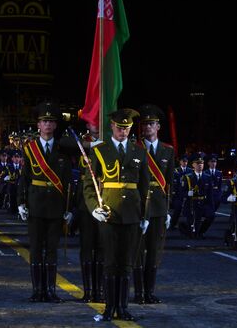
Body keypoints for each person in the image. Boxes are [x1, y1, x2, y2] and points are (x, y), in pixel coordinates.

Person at [83, 108, 150, 321]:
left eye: (127, 128)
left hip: (132, 214)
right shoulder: (100, 151)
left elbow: (144, 186)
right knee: (110, 262)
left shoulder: (139, 151)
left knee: (126, 263)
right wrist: (94, 208)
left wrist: (145, 215)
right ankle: (108, 307)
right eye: (120, 127)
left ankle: (122, 307)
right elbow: (89, 185)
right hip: (109, 212)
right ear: (112, 126)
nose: (123, 131)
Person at [17, 101, 73, 304]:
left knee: (51, 250)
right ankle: (37, 290)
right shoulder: (30, 149)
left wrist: (69, 208)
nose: (47, 125)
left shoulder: (63, 149)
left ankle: (50, 290)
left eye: (51, 121)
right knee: (35, 249)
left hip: (56, 207)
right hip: (36, 204)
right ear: (38, 126)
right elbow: (24, 177)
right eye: (44, 121)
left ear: (56, 125)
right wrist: (21, 202)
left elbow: (67, 181)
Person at [133, 104, 174, 305]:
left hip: (158, 207)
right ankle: (139, 293)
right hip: (139, 206)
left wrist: (168, 210)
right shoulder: (135, 148)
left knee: (153, 252)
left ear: (158, 127)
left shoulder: (168, 151)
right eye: (145, 124)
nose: (148, 127)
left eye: (152, 124)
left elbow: (169, 183)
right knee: (138, 252)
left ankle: (149, 292)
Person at [74, 127, 105, 303]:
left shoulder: (110, 144)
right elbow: (65, 143)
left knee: (101, 249)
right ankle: (88, 291)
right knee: (86, 248)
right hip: (85, 205)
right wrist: (93, 144)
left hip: (104, 204)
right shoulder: (80, 142)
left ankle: (99, 291)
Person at [179, 152, 215, 239]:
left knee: (211, 216)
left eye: (202, 163)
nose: (200, 165)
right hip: (191, 203)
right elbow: (181, 192)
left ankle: (201, 231)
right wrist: (187, 194)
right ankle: (186, 228)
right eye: (198, 163)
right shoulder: (187, 177)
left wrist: (211, 206)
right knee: (192, 234)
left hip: (203, 203)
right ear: (193, 165)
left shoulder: (207, 177)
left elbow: (210, 193)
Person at [169, 154, 192, 229]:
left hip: (187, 193)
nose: (185, 163)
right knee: (178, 209)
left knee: (189, 210)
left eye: (186, 161)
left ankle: (190, 226)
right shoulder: (176, 171)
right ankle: (172, 224)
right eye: (183, 161)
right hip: (178, 194)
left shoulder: (190, 171)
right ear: (180, 162)